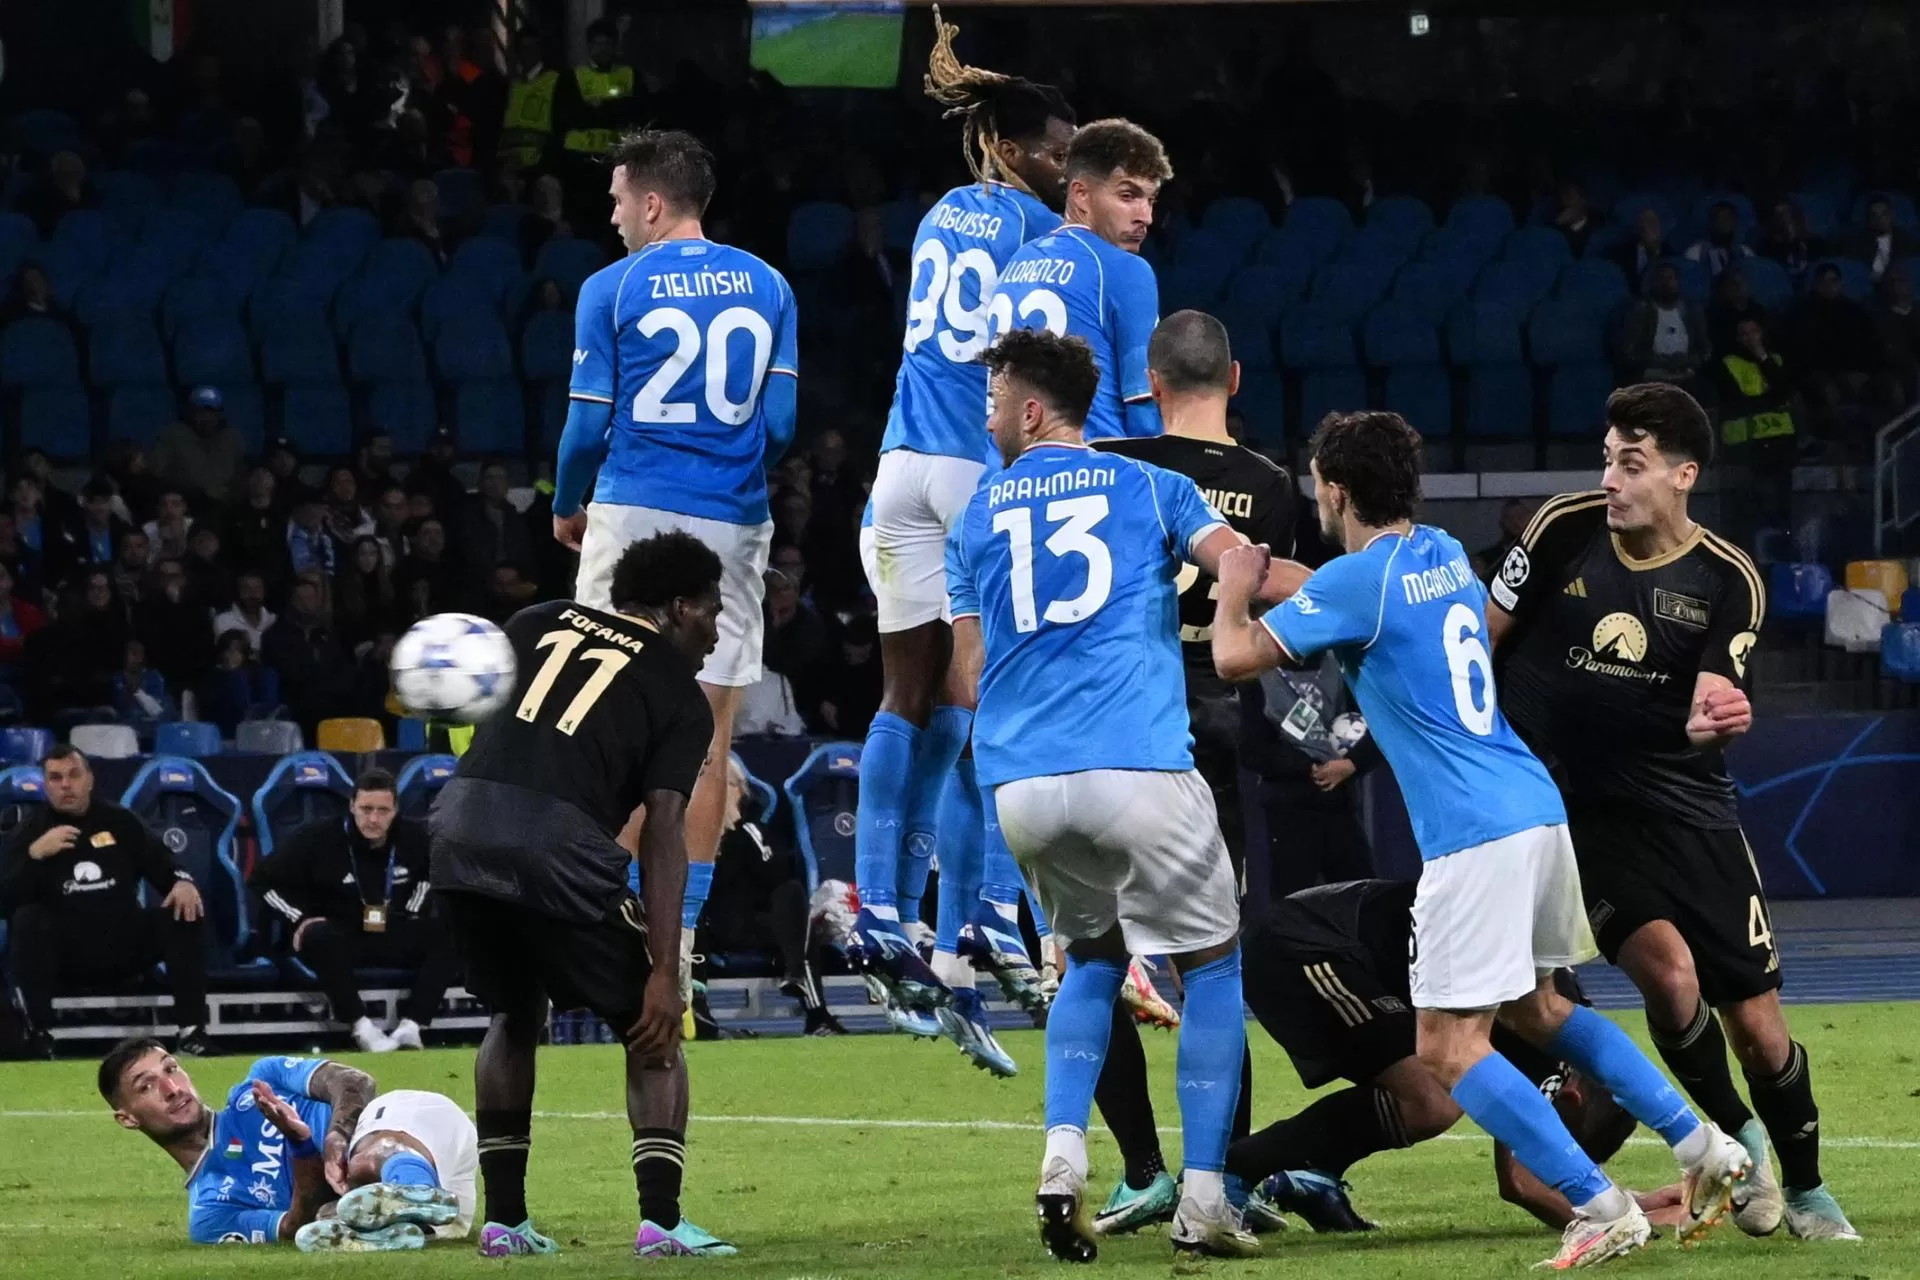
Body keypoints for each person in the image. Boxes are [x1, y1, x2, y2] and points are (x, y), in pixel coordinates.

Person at [1211, 409, 1752, 1270]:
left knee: (1446, 1049)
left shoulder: (1359, 582)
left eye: (1319, 480)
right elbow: (1347, 596)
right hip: (1534, 810)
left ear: (1336, 489)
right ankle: (1704, 1146)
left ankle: (1600, 1205)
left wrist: (1237, 580)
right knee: (1540, 1010)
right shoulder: (1436, 553)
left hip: (1472, 835)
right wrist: (1293, 581)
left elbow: (1234, 658)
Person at [947, 329, 1296, 1261]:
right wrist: (1227, 616)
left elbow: (968, 673)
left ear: (1030, 411)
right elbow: (1239, 564)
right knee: (1213, 965)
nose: (986, 420)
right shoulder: (1149, 486)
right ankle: (1206, 1199)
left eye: (991, 403)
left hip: (1022, 783)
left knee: (1091, 962)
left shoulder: (976, 512)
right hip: (1137, 762)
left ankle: (1064, 1157)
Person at [1484, 383, 1858, 1242]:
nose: (1610, 478)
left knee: (1760, 1028)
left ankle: (1804, 1191)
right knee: (1667, 973)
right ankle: (1743, 1143)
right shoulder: (1560, 529)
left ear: (1683, 475)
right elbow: (1484, 634)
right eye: (1608, 458)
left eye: (1632, 463)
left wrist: (1713, 717)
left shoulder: (1729, 579)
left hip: (1691, 811)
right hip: (1577, 811)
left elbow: (1718, 694)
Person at [849, 7, 1076, 1045]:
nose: (1068, 173)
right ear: (1019, 147)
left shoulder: (943, 212)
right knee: (995, 702)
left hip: (898, 471)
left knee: (918, 701)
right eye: (1061, 155)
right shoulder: (1041, 232)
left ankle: (890, 919)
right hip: (977, 476)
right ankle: (983, 912)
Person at [429, 531, 734, 1259]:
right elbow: (663, 833)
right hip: (555, 839)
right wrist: (666, 969)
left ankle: (506, 1223)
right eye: (713, 614)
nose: (717, 633)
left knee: (512, 1010)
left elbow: (466, 716)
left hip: (457, 825)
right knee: (650, 1026)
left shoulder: (537, 618)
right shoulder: (682, 698)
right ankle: (661, 1223)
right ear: (679, 606)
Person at [553, 128, 797, 1012]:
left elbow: (585, 428)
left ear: (652, 203)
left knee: (600, 722)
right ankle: (679, 947)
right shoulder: (770, 285)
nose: (613, 216)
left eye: (618, 200)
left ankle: (593, 926)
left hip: (630, 503)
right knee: (707, 738)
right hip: (731, 516)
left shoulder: (609, 289)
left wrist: (566, 502)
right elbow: (779, 424)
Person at [1083, 310, 1299, 1233]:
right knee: (1216, 962)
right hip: (1218, 729)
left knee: (1089, 956)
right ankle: (1228, 1180)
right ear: (1236, 379)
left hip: (1113, 721)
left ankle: (1141, 1168)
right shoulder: (1273, 486)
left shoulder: (1108, 459)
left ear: (1150, 380)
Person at [1229, 880, 1685, 1235]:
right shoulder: (1545, 1046)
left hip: (1338, 936)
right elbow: (1522, 1183)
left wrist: (1634, 1201)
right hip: (1305, 943)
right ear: (1571, 1100)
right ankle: (1232, 1173)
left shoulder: (1564, 1020)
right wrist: (1630, 1218)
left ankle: (1316, 1175)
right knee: (1429, 1101)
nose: (1555, 1163)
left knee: (1426, 1091)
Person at [97, 1039, 476, 1251]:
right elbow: (297, 1226)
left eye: (171, 1068)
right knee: (327, 1217)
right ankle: (401, 1224)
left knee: (362, 1161)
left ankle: (414, 1191)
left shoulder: (259, 1082)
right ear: (127, 1118)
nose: (172, 1088)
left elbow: (356, 1082)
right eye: (146, 1086)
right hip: (447, 1218)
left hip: (420, 1132)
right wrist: (299, 1144)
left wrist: (335, 1137)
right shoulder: (209, 1215)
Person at [0, 747, 217, 1058]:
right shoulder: (30, 834)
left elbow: (163, 864)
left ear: (90, 779)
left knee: (183, 911)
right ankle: (39, 1035)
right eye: (55, 778)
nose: (65, 785)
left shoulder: (119, 821)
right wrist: (35, 857)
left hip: (124, 944)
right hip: (65, 957)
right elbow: (4, 901)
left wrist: (182, 881)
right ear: (45, 785)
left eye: (74, 775)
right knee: (28, 918)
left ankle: (192, 1033)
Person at [251, 769, 453, 1055]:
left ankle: (412, 1026)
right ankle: (362, 1028)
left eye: (383, 810)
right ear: (352, 806)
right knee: (318, 935)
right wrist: (299, 918)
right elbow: (260, 880)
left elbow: (433, 873)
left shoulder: (415, 837)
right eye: (366, 809)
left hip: (391, 928)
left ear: (395, 810)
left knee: (452, 932)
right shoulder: (318, 837)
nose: (373, 819)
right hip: (339, 933)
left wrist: (412, 910)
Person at [694, 755, 843, 1036]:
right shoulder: (694, 832)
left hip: (752, 922)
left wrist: (739, 834)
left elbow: (776, 873)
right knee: (690, 915)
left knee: (794, 899)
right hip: (711, 923)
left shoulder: (752, 828)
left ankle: (814, 1010)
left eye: (724, 785)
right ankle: (699, 1014)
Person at [151, 387, 248, 509]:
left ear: (219, 414)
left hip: (224, 506)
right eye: (200, 412)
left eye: (211, 412)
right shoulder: (171, 435)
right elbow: (157, 473)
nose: (206, 417)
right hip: (184, 506)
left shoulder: (232, 437)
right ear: (190, 412)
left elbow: (241, 475)